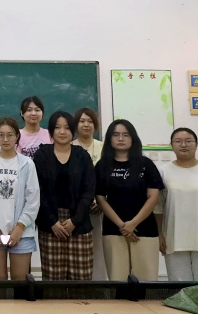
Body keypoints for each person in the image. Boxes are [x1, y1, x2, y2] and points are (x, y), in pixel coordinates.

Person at [95, 119, 163, 281]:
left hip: (144, 229)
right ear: (110, 139)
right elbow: (100, 198)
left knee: (146, 280)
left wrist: (133, 223)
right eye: (116, 135)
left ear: (133, 138)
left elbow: (154, 197)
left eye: (126, 135)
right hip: (114, 230)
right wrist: (122, 225)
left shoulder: (146, 164)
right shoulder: (102, 165)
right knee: (117, 280)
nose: (121, 138)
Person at [33, 111, 96, 281]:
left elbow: (89, 191)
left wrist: (74, 221)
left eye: (67, 128)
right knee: (53, 280)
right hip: (50, 224)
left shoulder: (82, 155)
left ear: (73, 130)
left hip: (79, 223)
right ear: (51, 130)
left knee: (81, 279)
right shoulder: (42, 155)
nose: (62, 132)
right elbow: (37, 191)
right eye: (57, 127)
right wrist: (52, 222)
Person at [155, 127, 198, 281]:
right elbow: (158, 209)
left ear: (196, 144)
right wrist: (160, 236)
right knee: (180, 288)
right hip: (174, 239)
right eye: (178, 141)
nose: (183, 145)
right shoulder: (163, 172)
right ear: (171, 145)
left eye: (188, 141)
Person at [0, 117, 40, 280]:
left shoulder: (27, 164)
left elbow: (33, 199)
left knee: (20, 280)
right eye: (1, 135)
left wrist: (20, 227)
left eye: (10, 135)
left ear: (17, 137)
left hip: (22, 231)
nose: (5, 139)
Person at [74, 107, 107, 280]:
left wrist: (102, 201)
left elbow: (109, 178)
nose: (86, 125)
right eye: (82, 121)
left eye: (90, 121)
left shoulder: (104, 148)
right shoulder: (69, 147)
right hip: (76, 209)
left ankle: (100, 285)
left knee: (100, 249)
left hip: (101, 208)